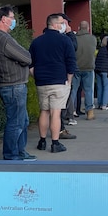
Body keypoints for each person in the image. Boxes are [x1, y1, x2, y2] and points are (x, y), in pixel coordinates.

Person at [0, 5, 36, 161]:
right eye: (12, 18)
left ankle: (19, 152)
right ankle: (11, 156)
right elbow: (27, 57)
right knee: (16, 122)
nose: (14, 21)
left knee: (22, 120)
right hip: (13, 85)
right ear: (4, 19)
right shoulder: (3, 38)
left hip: (10, 85)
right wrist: (25, 61)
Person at [29, 13, 76, 153]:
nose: (64, 25)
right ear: (55, 24)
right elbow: (71, 63)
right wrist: (69, 81)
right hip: (59, 81)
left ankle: (42, 141)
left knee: (44, 111)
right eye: (62, 22)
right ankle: (55, 143)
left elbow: (29, 62)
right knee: (56, 113)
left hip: (42, 82)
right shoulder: (65, 40)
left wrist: (35, 75)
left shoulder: (36, 41)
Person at [73, 20, 96, 120]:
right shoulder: (93, 39)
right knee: (88, 91)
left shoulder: (74, 39)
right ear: (88, 28)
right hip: (89, 68)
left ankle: (71, 111)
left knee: (73, 90)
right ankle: (89, 112)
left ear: (78, 28)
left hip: (76, 68)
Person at [61, 14, 80, 127]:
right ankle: (67, 117)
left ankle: (68, 116)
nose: (67, 26)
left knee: (69, 93)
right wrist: (70, 33)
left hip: (66, 70)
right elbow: (73, 47)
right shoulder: (66, 37)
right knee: (66, 93)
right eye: (65, 23)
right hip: (64, 70)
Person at [94, 35, 108, 110]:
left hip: (98, 70)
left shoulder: (101, 49)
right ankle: (104, 104)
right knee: (107, 87)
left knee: (100, 87)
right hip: (106, 70)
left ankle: (100, 103)